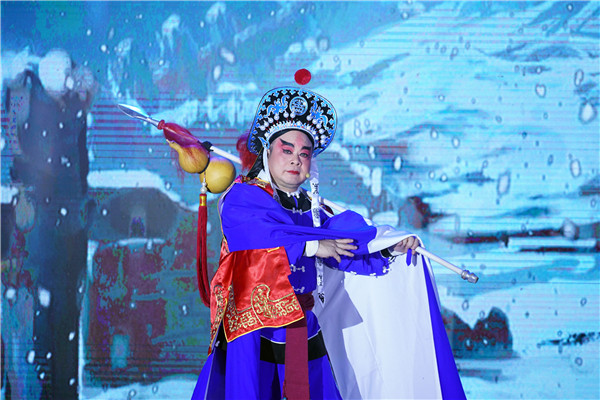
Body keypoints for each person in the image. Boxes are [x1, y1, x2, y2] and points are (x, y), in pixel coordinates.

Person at [191, 87, 465, 399]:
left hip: (303, 327)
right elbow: (257, 236)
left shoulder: (314, 212)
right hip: (254, 333)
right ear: (267, 152)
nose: (296, 160)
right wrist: (312, 246)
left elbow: (345, 241)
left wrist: (391, 246)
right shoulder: (242, 197)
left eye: (304, 154)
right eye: (286, 150)